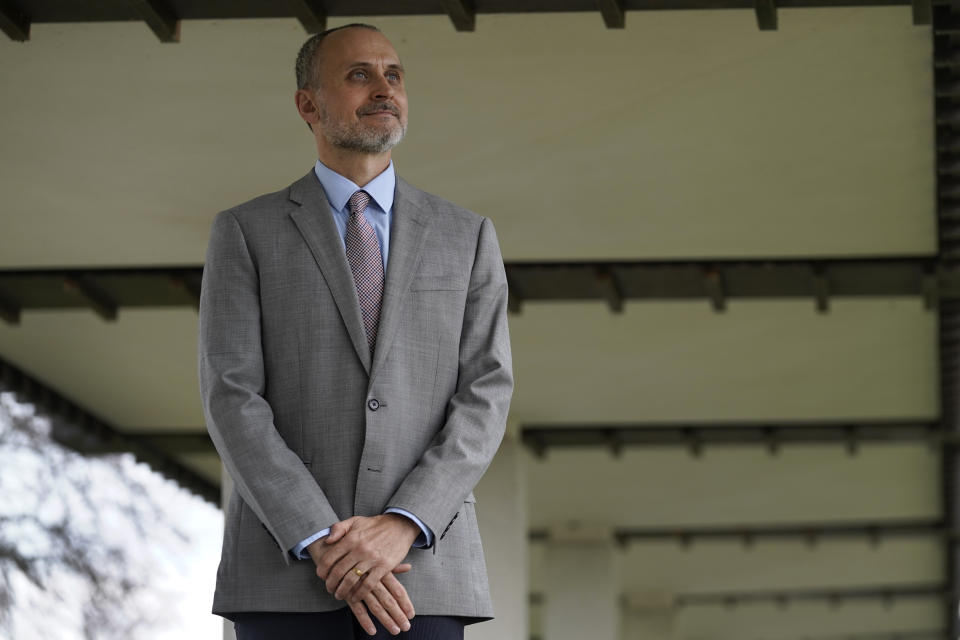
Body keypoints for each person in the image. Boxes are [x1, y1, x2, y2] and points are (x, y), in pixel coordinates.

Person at [197, 22, 514, 640]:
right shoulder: (245, 231)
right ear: (308, 104)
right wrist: (321, 539)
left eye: (393, 74)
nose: (384, 89)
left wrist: (402, 522)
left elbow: (487, 392)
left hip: (423, 573)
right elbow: (232, 397)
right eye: (359, 74)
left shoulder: (467, 235)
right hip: (285, 574)